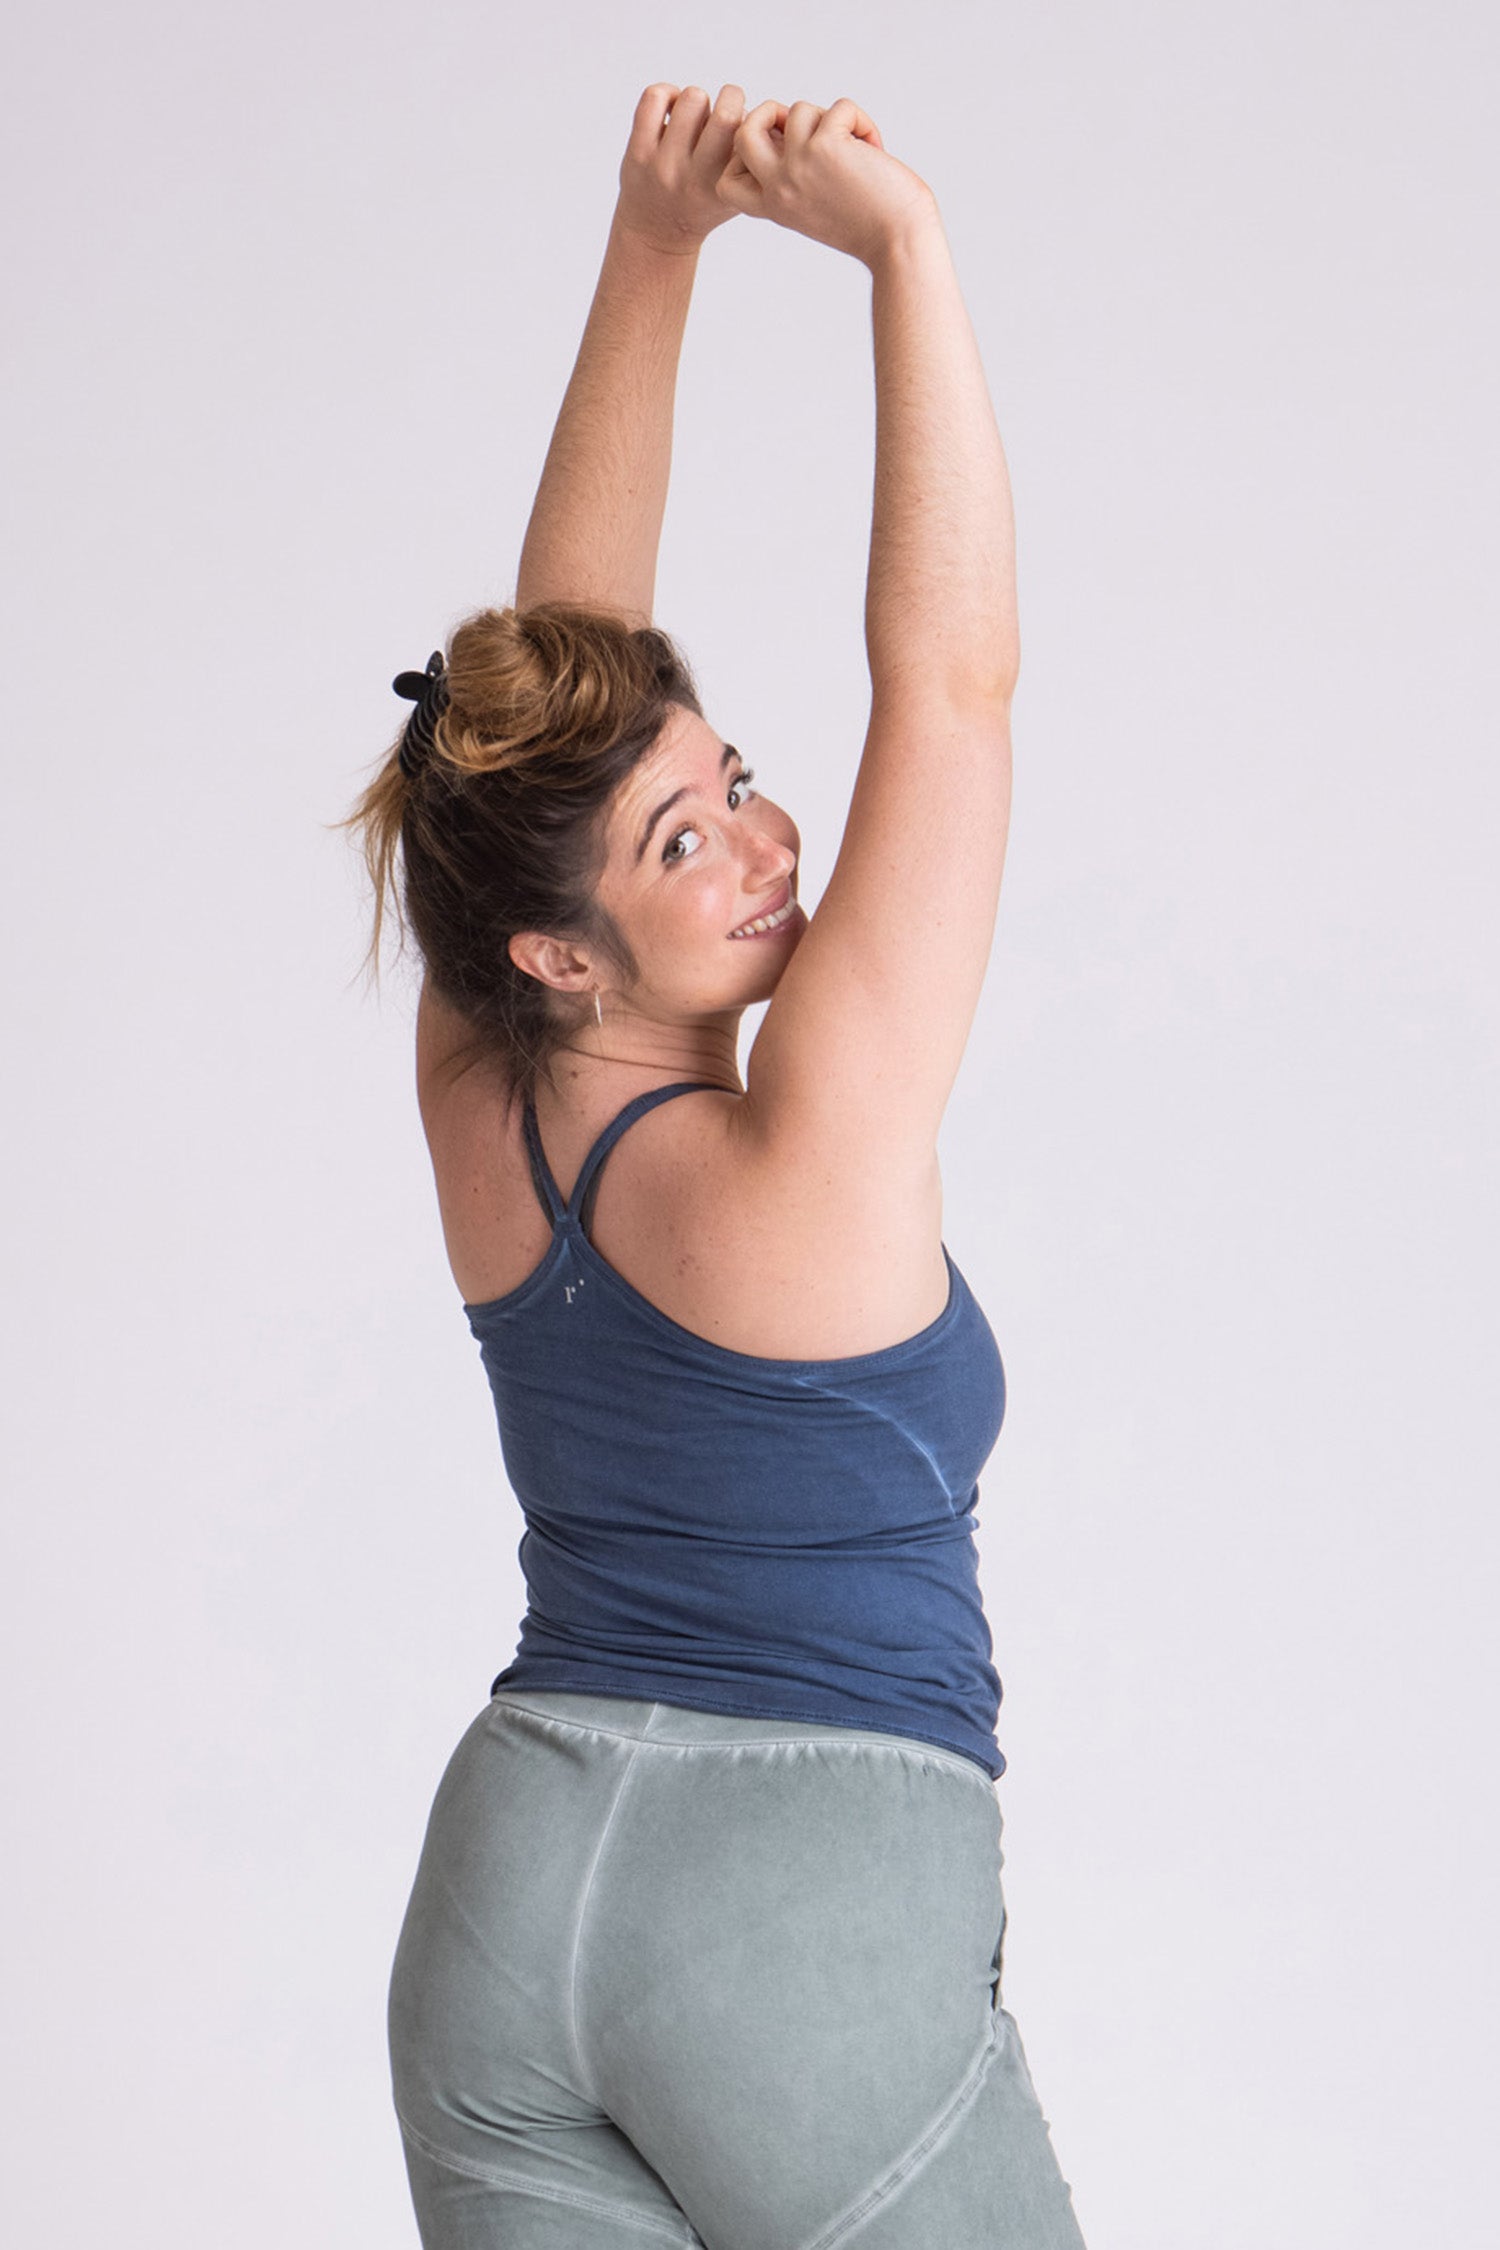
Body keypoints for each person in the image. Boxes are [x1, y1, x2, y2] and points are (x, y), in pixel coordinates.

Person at [341, 81, 1087, 2250]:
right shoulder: (806, 1160)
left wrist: (654, 242)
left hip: (506, 1909)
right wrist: (907, 255)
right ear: (569, 944)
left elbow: (555, 687)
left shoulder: (480, 1064)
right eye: (691, 840)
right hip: (803, 1932)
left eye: (738, 776)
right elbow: (950, 692)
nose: (768, 843)